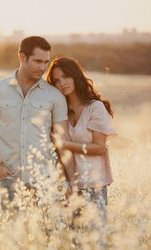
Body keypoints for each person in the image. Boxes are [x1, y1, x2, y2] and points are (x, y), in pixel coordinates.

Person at [0, 37, 75, 212]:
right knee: (13, 237)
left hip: (46, 181)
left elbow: (63, 141)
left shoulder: (54, 96)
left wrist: (70, 183)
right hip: (11, 180)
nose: (43, 67)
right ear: (22, 57)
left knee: (45, 237)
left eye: (46, 62)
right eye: (38, 61)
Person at [47, 57, 117, 225]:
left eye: (65, 77)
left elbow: (99, 148)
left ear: (75, 76)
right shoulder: (59, 112)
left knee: (96, 241)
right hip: (67, 185)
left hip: (94, 184)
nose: (62, 83)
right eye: (57, 80)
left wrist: (64, 144)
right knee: (75, 243)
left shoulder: (95, 107)